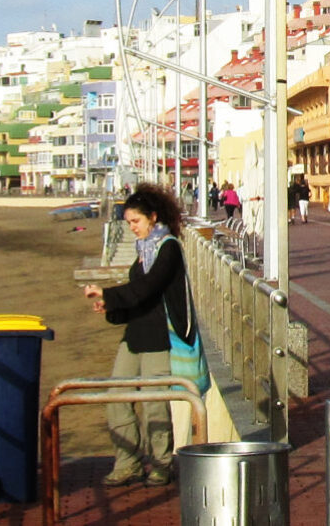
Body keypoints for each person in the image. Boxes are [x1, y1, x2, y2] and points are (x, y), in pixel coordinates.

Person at [82, 183, 195, 488]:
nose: (132, 228)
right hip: (135, 336)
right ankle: (127, 462)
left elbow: (147, 288)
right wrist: (110, 305)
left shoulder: (168, 247)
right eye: (129, 222)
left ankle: (160, 464)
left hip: (160, 337)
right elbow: (137, 293)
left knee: (155, 403)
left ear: (153, 218)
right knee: (116, 397)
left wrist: (109, 293)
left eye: (136, 222)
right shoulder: (143, 251)